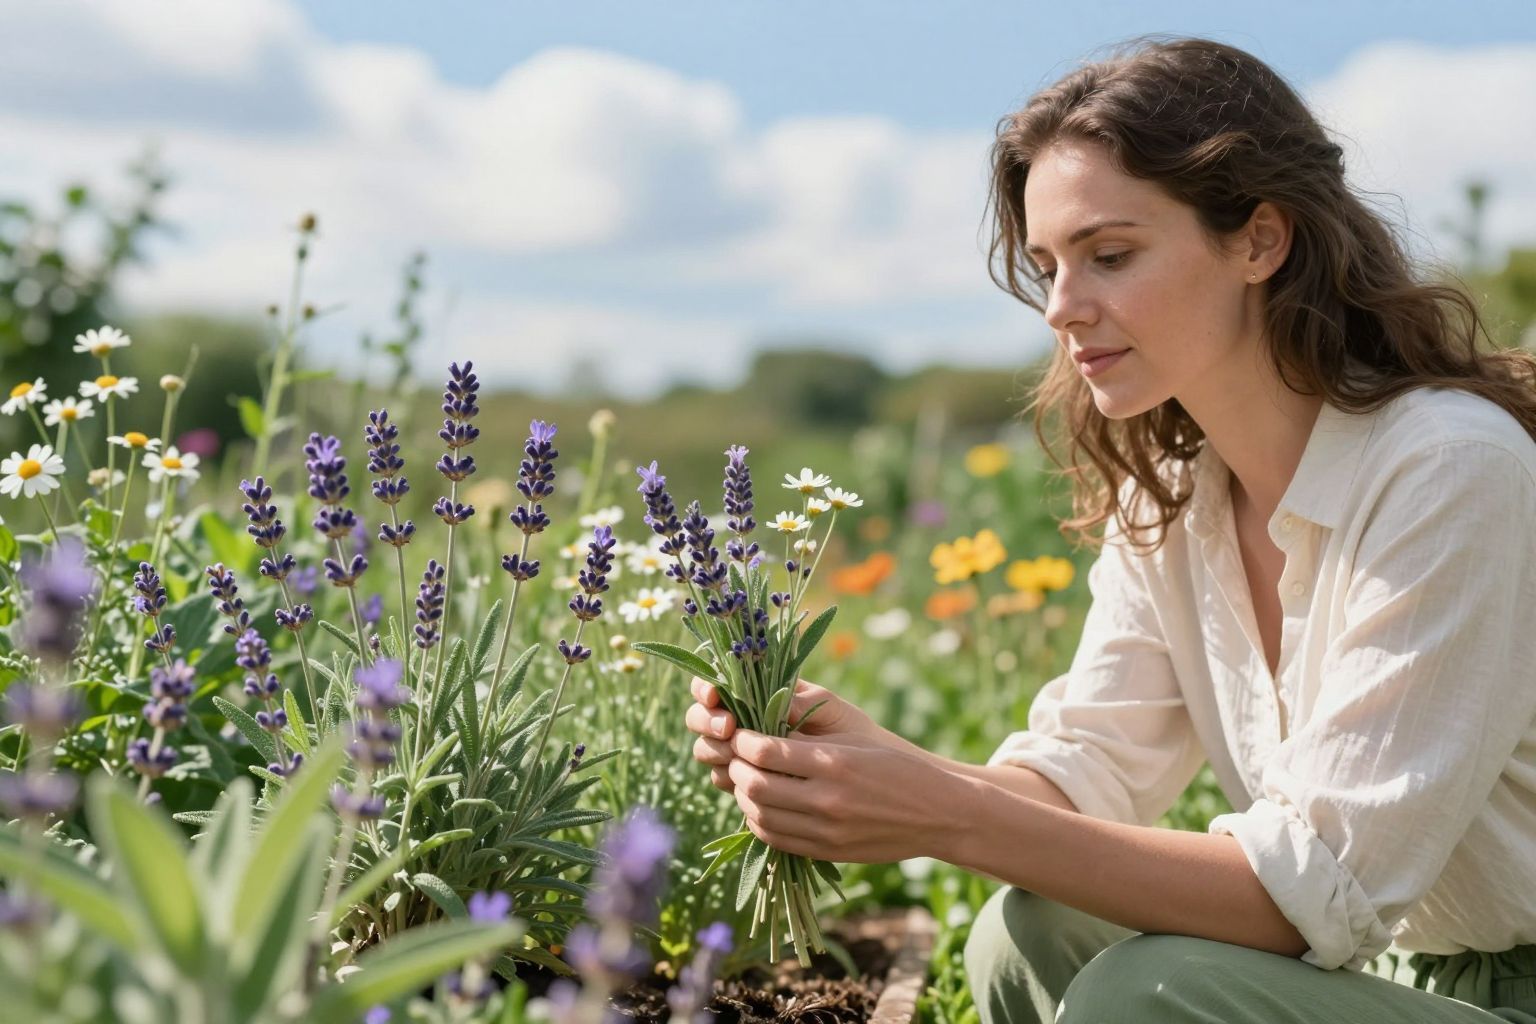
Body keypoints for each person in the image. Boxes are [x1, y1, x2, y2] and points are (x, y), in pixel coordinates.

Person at [684, 35, 1536, 1024]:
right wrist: (877, 771)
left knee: (1144, 993)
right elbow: (1086, 776)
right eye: (1047, 265)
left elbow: (1313, 891)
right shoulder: (1175, 490)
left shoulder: (1448, 468)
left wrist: (941, 810)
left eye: (1111, 255)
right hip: (1372, 979)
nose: (1059, 307)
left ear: (1261, 240)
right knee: (1023, 930)